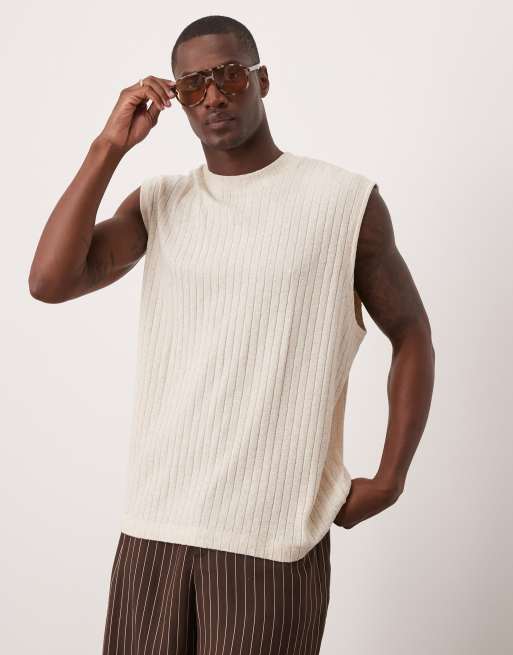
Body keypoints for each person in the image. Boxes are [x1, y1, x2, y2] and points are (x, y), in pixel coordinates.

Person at [28, 14, 435, 655]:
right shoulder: (160, 202)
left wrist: (390, 478)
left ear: (261, 80)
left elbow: (411, 333)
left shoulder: (342, 201)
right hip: (154, 529)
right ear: (179, 99)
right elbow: (50, 281)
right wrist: (108, 146)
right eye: (194, 85)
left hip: (272, 538)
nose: (213, 96)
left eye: (229, 77)